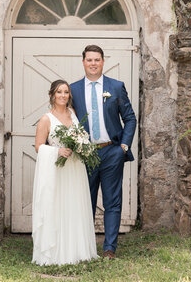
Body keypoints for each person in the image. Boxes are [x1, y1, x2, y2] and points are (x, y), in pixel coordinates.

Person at [70, 45, 136, 259]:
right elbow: (68, 120)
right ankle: (86, 248)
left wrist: (123, 147)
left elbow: (130, 118)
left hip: (111, 152)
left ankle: (109, 249)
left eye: (97, 60)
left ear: (103, 62)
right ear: (83, 62)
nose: (93, 63)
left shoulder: (116, 87)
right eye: (89, 60)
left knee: (112, 202)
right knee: (84, 201)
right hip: (85, 154)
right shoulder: (74, 89)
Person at [32, 79, 98, 266]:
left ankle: (76, 251)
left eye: (66, 92)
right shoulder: (46, 119)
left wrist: (81, 146)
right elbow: (38, 147)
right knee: (58, 207)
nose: (63, 95)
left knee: (74, 206)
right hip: (57, 171)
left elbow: (80, 136)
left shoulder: (73, 114)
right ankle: (57, 253)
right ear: (52, 94)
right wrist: (57, 151)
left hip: (75, 168)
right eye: (59, 92)